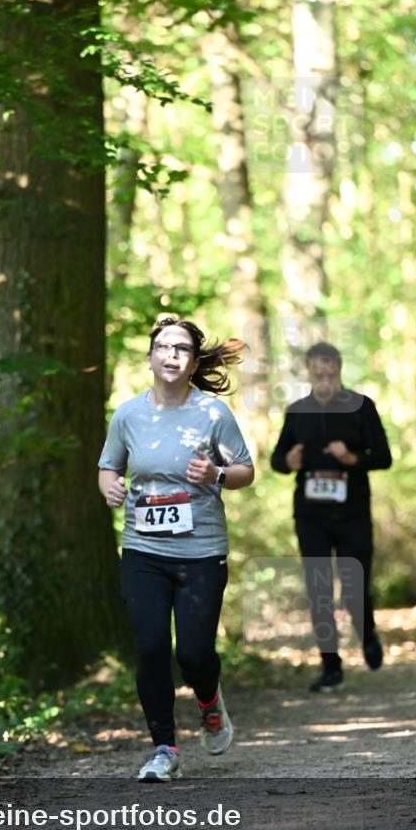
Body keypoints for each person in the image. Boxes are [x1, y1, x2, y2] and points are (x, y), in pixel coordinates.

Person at [98, 316, 254, 781]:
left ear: (192, 361)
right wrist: (109, 488)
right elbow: (108, 466)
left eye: (182, 349)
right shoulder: (128, 415)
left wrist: (217, 475)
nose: (171, 355)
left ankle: (208, 699)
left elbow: (245, 470)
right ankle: (164, 747)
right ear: (149, 357)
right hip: (143, 551)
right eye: (163, 347)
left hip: (202, 551)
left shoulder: (212, 413)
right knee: (149, 648)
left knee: (194, 653)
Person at [270, 342, 392, 692]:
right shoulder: (297, 411)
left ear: (339, 371)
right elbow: (278, 460)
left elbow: (384, 457)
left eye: (331, 374)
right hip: (311, 515)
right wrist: (287, 461)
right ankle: (331, 665)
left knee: (355, 585)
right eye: (317, 374)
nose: (325, 380)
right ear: (308, 373)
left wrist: (353, 458)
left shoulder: (361, 407)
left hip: (353, 511)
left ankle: (367, 633)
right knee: (319, 588)